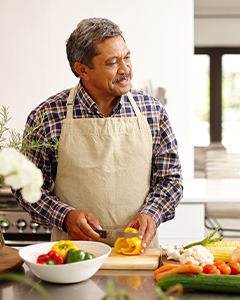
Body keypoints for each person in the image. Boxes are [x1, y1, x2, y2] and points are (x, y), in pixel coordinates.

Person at [13, 18, 183, 252]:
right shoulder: (47, 116)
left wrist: (152, 214)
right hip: (73, 255)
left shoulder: (152, 111)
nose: (125, 69)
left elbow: (170, 180)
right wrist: (65, 216)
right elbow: (25, 187)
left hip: (138, 254)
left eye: (127, 57)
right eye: (112, 62)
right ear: (82, 69)